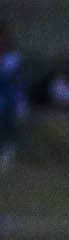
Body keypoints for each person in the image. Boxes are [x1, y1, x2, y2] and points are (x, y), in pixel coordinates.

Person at [0, 22, 25, 169]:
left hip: (9, 98)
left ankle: (8, 146)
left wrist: (21, 104)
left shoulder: (12, 59)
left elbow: (14, 84)